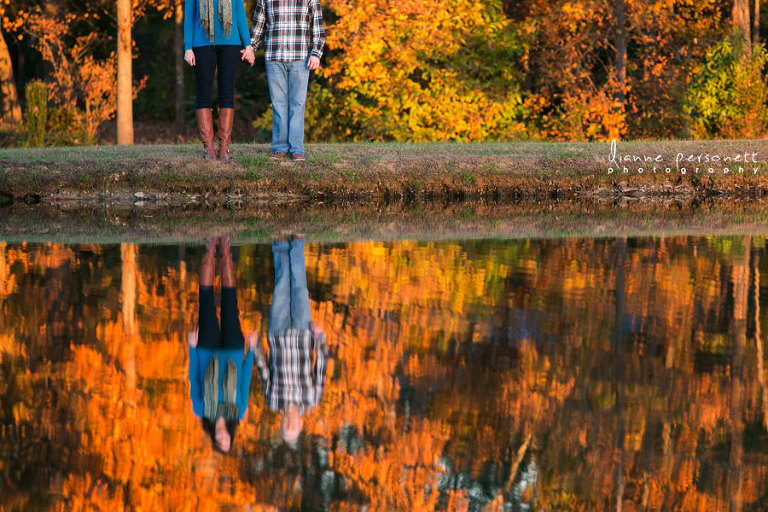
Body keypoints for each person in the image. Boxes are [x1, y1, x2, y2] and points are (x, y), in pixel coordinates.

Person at [253, 234, 328, 447]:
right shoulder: (312, 398)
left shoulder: (272, 400)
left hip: (277, 336)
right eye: (293, 427)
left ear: (281, 423)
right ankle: (297, 243)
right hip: (304, 335)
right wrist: (320, 338)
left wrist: (255, 345)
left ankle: (279, 244)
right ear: (301, 424)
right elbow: (321, 366)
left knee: (281, 288)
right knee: (299, 287)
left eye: (286, 426)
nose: (289, 422)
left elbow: (263, 369)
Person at [187, 237, 258, 454]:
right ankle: (226, 248)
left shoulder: (200, 410)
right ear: (230, 437)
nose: (222, 439)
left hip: (206, 350)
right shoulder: (239, 412)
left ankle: (210, 247)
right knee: (230, 299)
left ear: (215, 440)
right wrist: (252, 350)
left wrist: (191, 347)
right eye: (227, 441)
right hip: (234, 350)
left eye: (219, 442)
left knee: (206, 299)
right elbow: (245, 380)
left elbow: (193, 378)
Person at [250, 0, 326, 161]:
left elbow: (318, 29)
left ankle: (297, 149)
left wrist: (316, 53)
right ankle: (279, 148)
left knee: (297, 104)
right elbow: (257, 28)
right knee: (278, 104)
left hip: (301, 57)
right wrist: (250, 49)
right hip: (273, 56)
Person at [184, 0, 256, 161]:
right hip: (201, 44)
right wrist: (188, 48)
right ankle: (208, 148)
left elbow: (239, 14)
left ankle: (224, 148)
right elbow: (188, 17)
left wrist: (248, 44)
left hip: (230, 43)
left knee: (227, 93)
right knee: (203, 93)